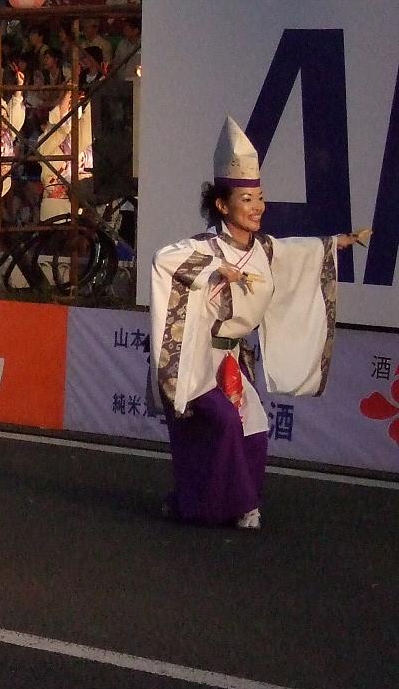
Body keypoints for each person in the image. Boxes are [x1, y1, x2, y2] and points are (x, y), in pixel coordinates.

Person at [150, 118, 369, 530]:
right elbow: (164, 262)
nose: (257, 208)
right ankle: (201, 505)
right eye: (246, 199)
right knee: (222, 424)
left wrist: (335, 243)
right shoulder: (205, 247)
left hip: (233, 360)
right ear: (222, 205)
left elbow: (295, 254)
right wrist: (217, 269)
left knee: (254, 427)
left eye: (260, 198)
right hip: (199, 358)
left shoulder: (265, 249)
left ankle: (240, 503)